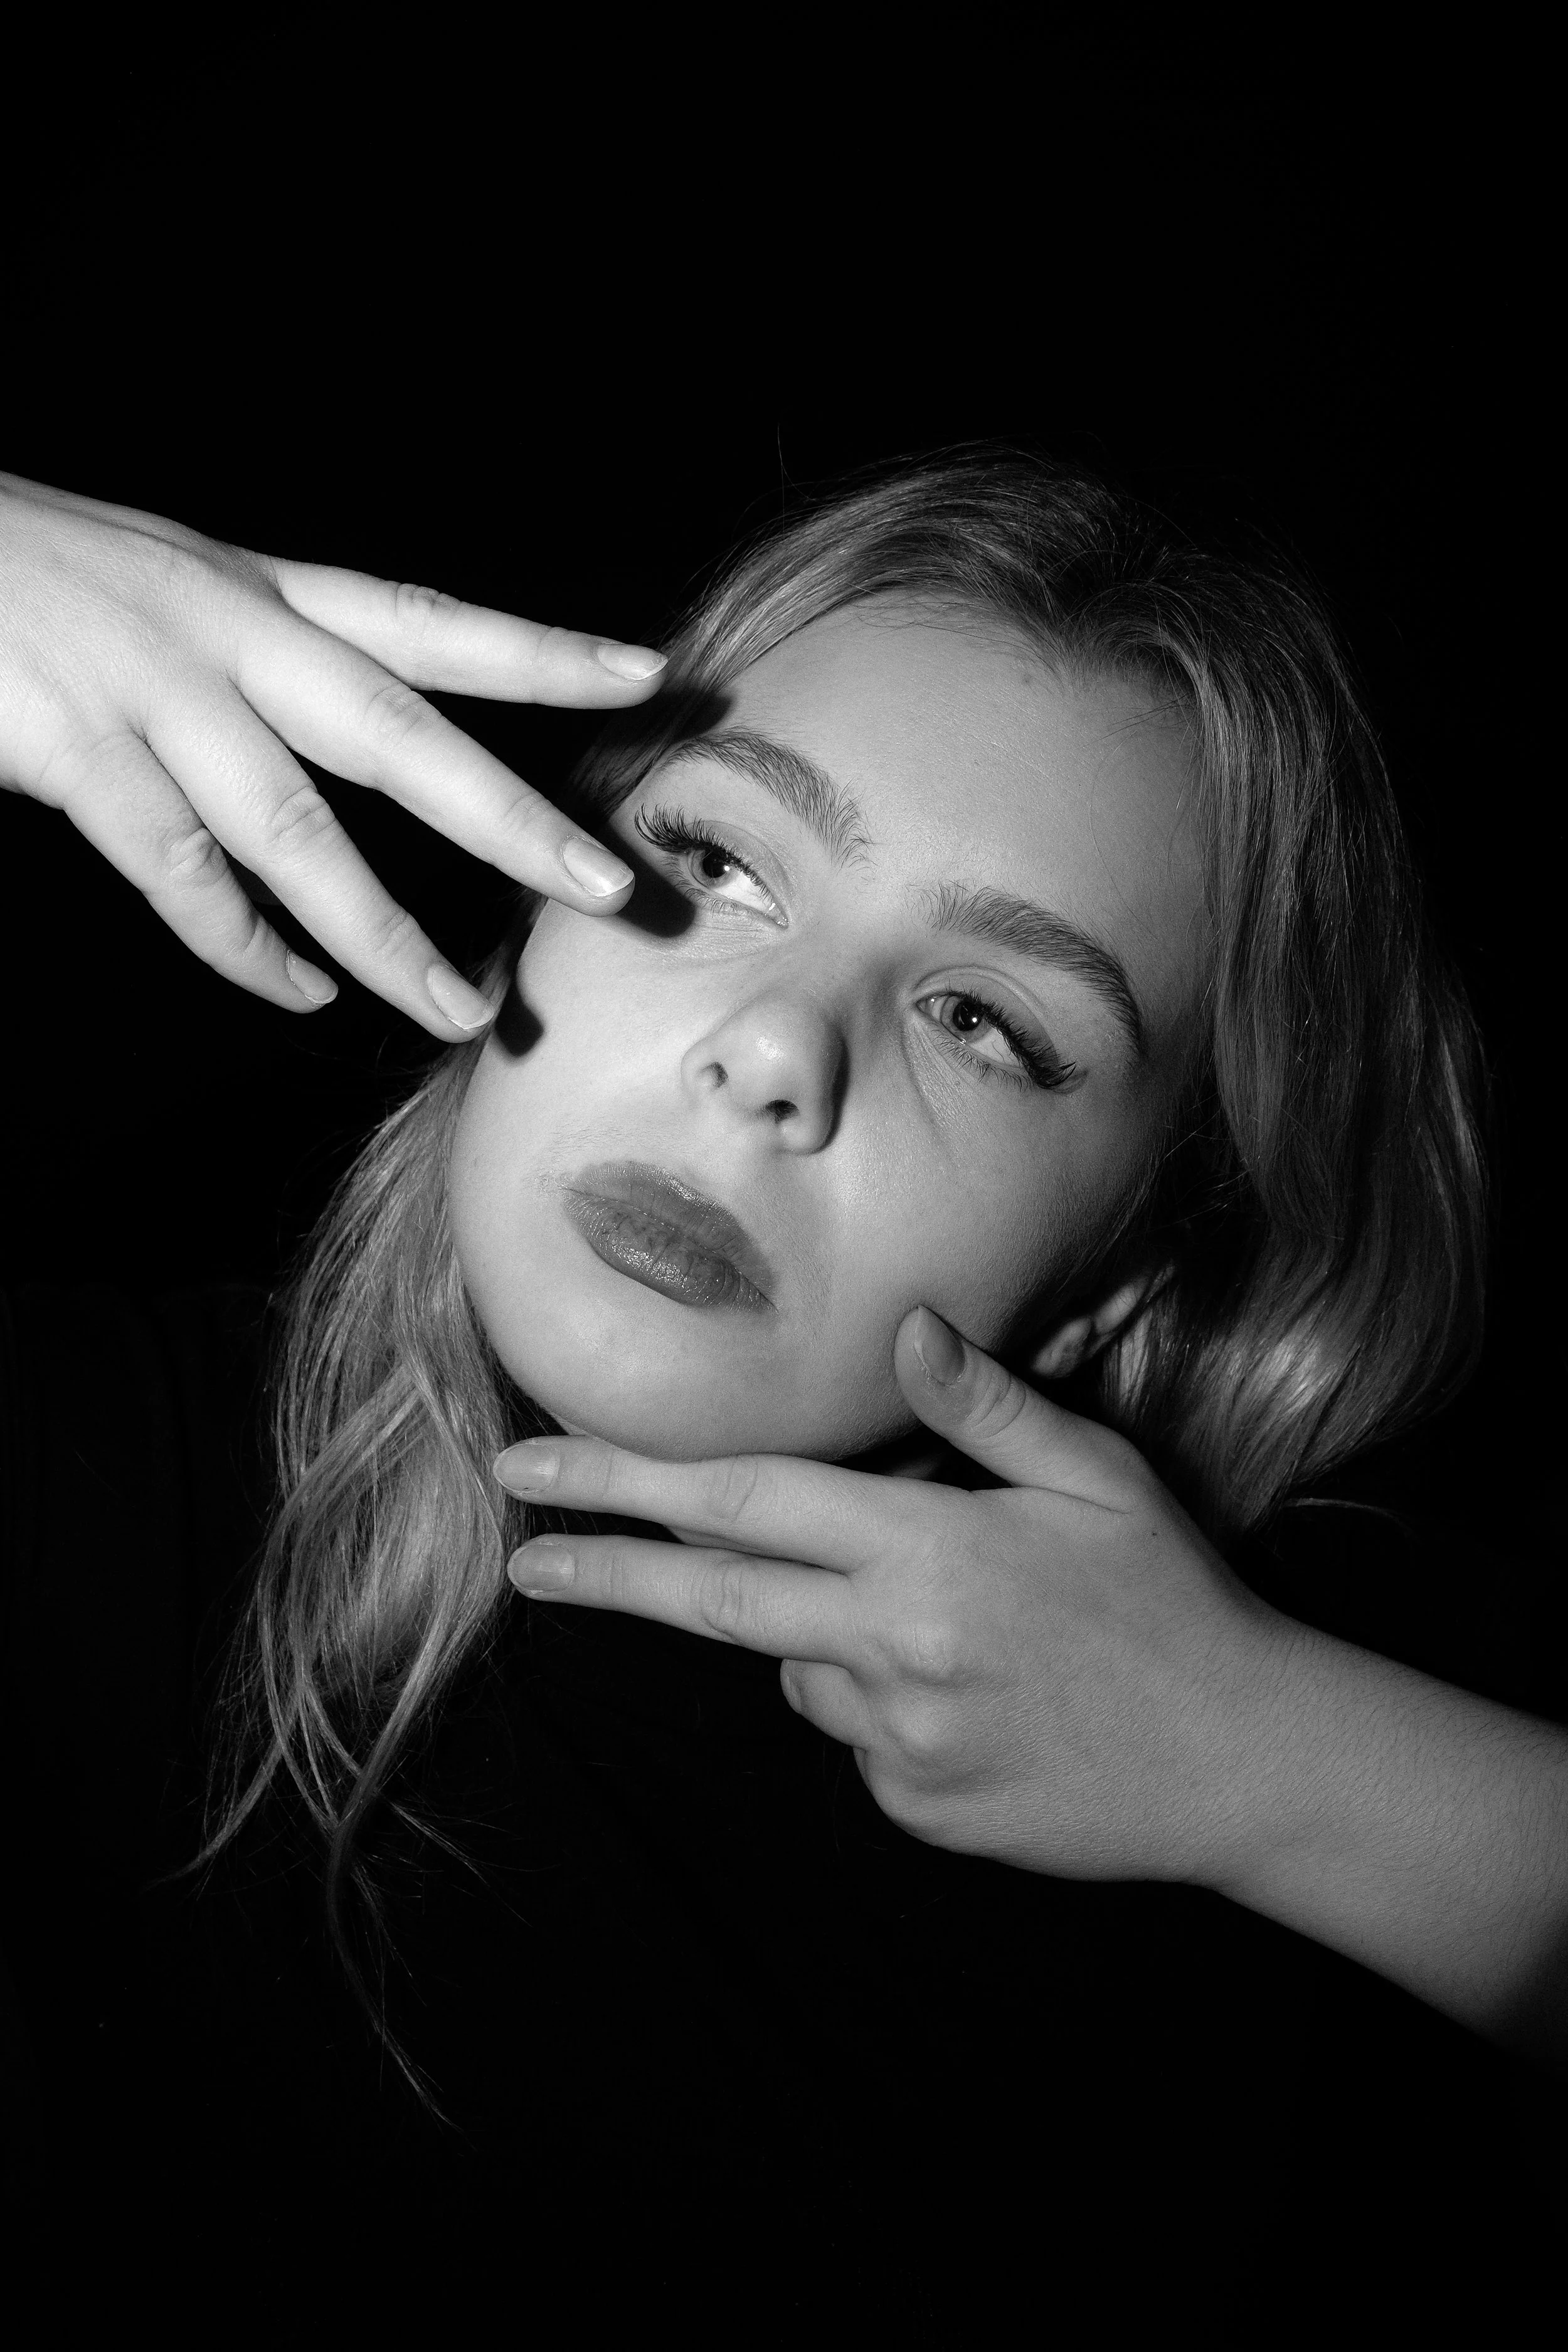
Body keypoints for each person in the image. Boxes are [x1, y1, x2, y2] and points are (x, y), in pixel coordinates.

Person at [1, 456, 1562, 2301]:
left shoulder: (1341, 1680)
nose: (768, 1051)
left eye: (982, 1021)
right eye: (718, 862)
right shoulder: (98, 1476)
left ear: (1118, 1270)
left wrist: (1283, 1767)